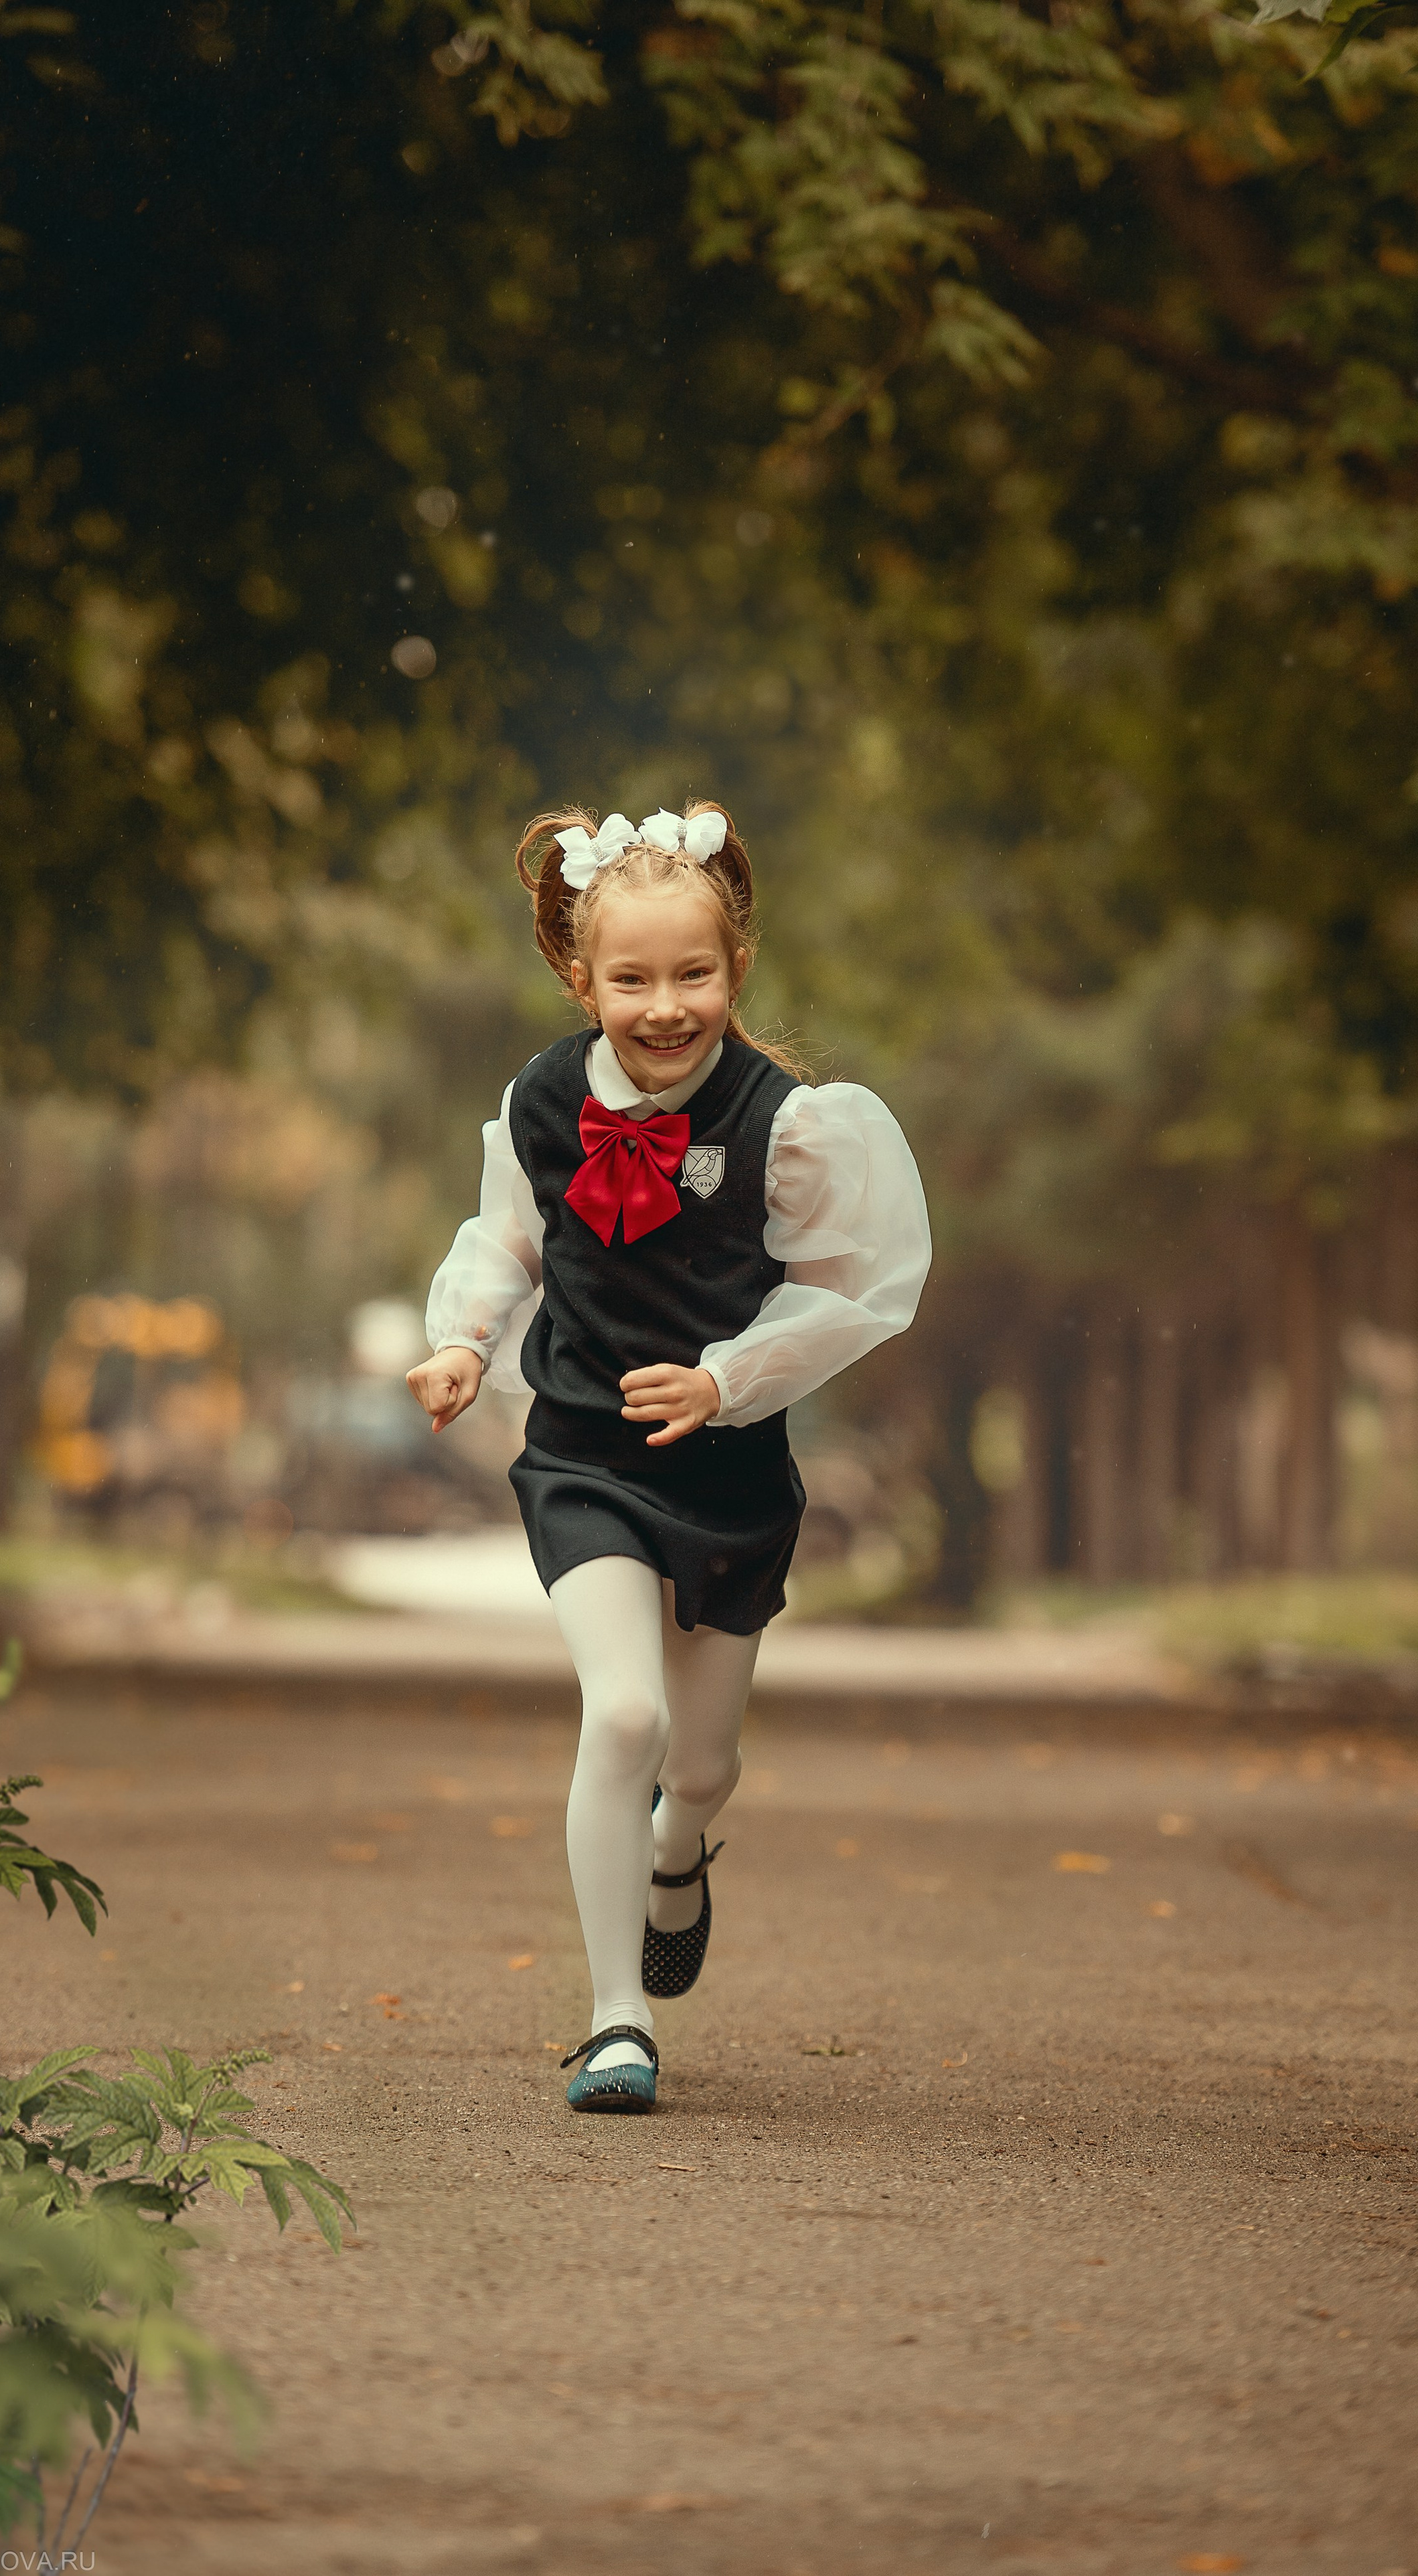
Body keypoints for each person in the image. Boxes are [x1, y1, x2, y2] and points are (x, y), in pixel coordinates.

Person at [410, 801, 929, 2113]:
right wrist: (463, 1342)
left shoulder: (792, 1125)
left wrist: (724, 1378)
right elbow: (501, 1243)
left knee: (697, 1763)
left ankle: (680, 1851)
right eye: (630, 978)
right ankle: (614, 2019)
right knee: (624, 1713)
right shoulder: (538, 1102)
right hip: (580, 1454)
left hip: (726, 1476)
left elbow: (844, 1291)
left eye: (690, 974)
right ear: (581, 978)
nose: (662, 1005)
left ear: (734, 968)